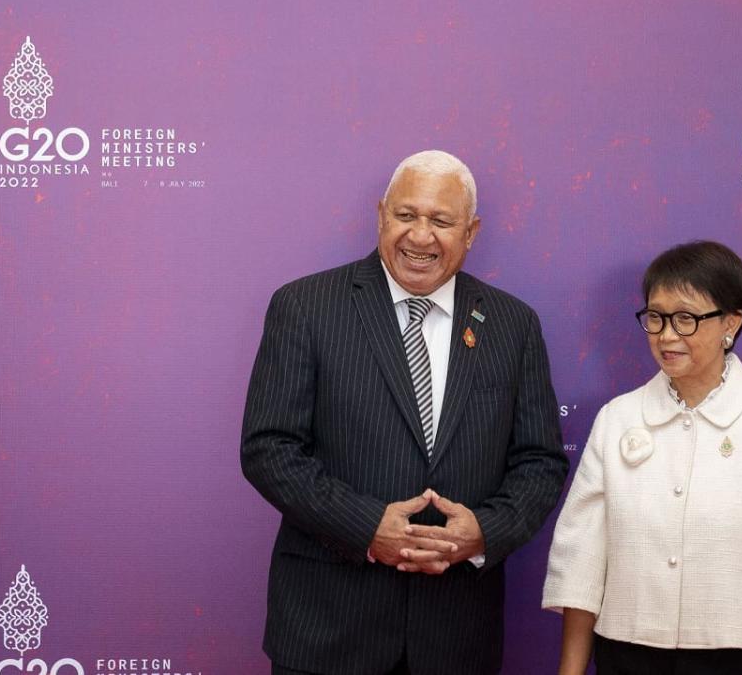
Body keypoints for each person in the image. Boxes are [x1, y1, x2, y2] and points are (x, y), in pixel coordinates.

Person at [241, 150, 569, 675]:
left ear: (471, 231)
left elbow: (540, 461)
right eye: (405, 215)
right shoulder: (304, 307)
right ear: (380, 215)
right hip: (328, 629)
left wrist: (483, 532)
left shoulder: (512, 325)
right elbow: (269, 449)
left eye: (441, 221)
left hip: (457, 634)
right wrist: (367, 525)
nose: (420, 237)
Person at [542, 241, 742, 675]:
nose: (667, 335)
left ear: (732, 321)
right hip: (626, 657)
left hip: (739, 661)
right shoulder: (617, 419)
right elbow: (582, 564)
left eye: (686, 318)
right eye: (656, 317)